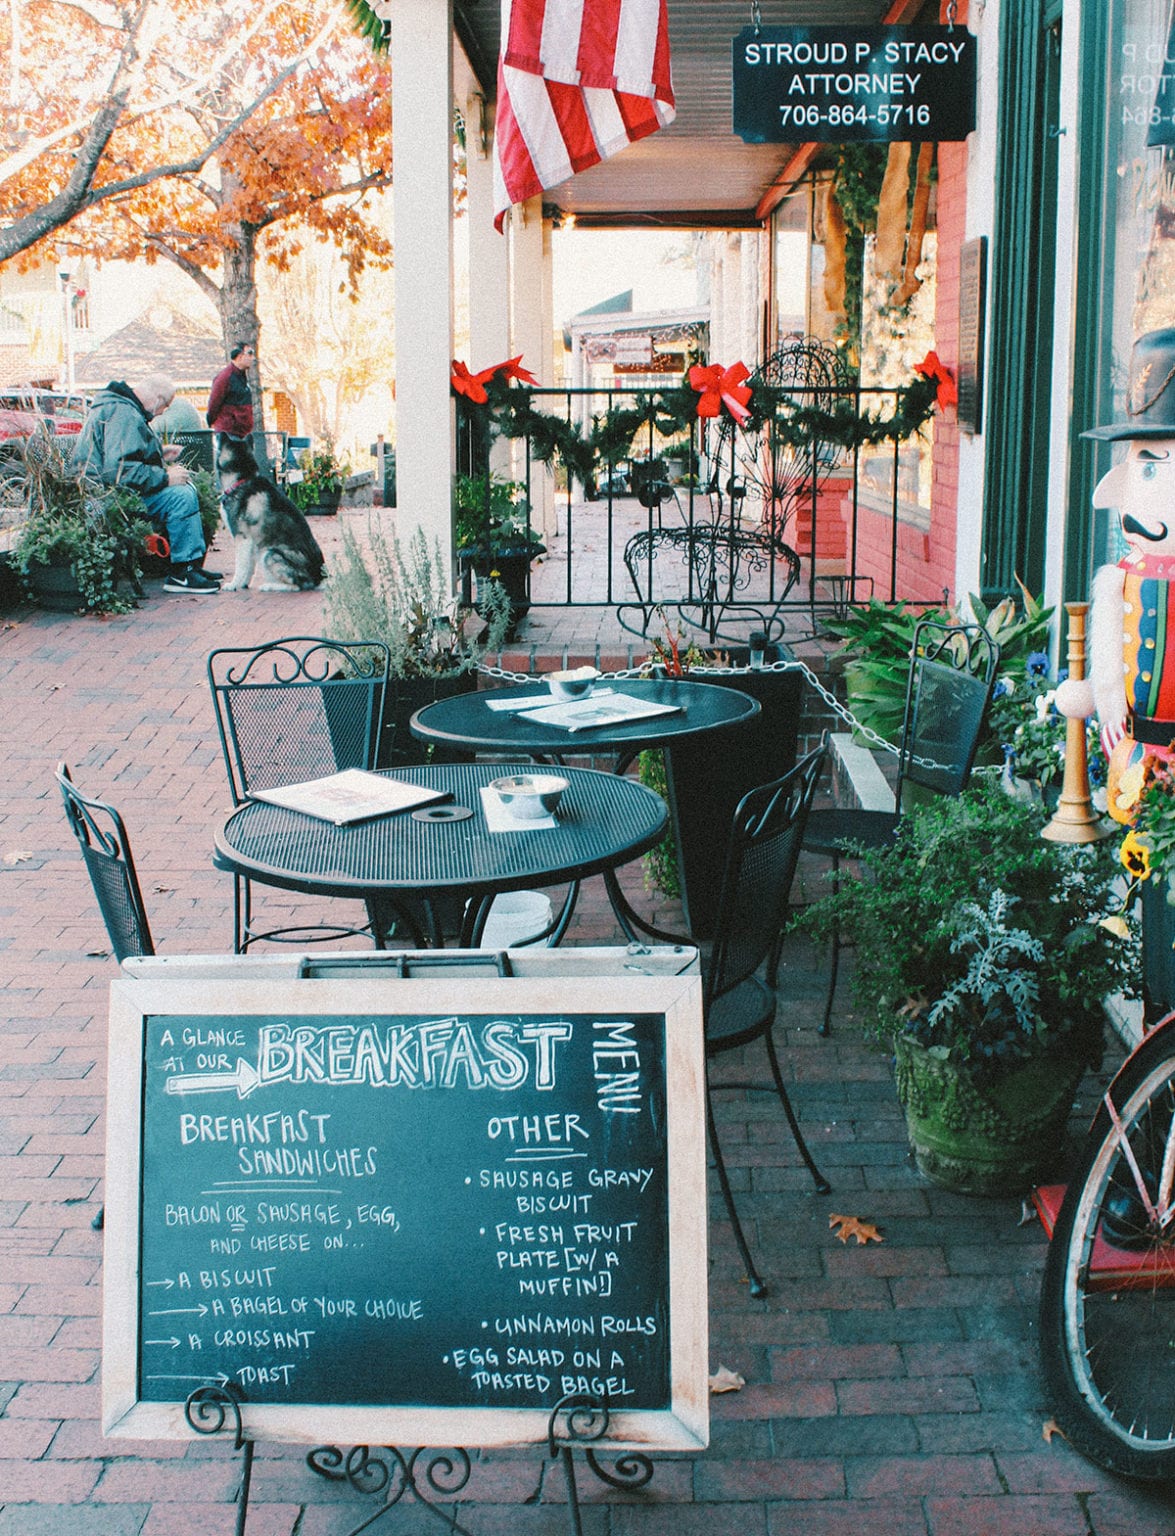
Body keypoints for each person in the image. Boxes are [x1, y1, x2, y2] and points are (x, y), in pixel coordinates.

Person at [1057, 327, 1175, 819]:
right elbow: (1112, 655)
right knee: (1137, 849)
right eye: (1136, 467)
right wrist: (1094, 698)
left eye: (1152, 468)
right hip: (1128, 750)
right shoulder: (1120, 576)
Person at [72, 373, 220, 595]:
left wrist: (159, 453)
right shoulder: (124, 414)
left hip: (105, 492)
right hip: (109, 498)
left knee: (185, 489)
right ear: (158, 399)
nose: (162, 412)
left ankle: (190, 566)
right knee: (181, 496)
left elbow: (120, 456)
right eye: (166, 406)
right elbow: (120, 472)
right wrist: (165, 478)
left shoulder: (121, 408)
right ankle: (182, 573)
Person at [206, 342, 255, 439]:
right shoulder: (225, 377)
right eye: (249, 353)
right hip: (229, 434)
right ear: (240, 356)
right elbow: (214, 403)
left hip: (242, 433)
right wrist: (212, 422)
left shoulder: (242, 377)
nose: (252, 358)